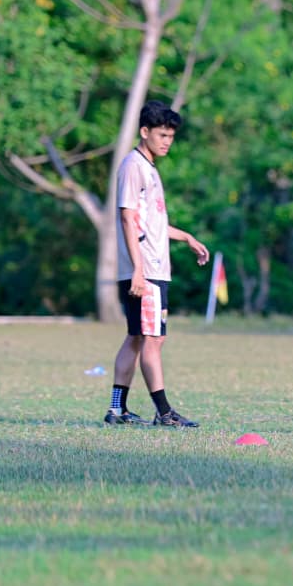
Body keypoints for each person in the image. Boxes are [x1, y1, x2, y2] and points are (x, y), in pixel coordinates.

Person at [103, 100, 210, 428]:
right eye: (162, 135)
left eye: (171, 136)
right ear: (144, 131)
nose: (167, 141)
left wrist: (186, 237)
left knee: (137, 337)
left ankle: (117, 410)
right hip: (146, 269)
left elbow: (153, 224)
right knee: (152, 339)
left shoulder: (148, 167)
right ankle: (164, 412)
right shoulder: (134, 166)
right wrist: (137, 269)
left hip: (150, 267)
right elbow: (127, 216)